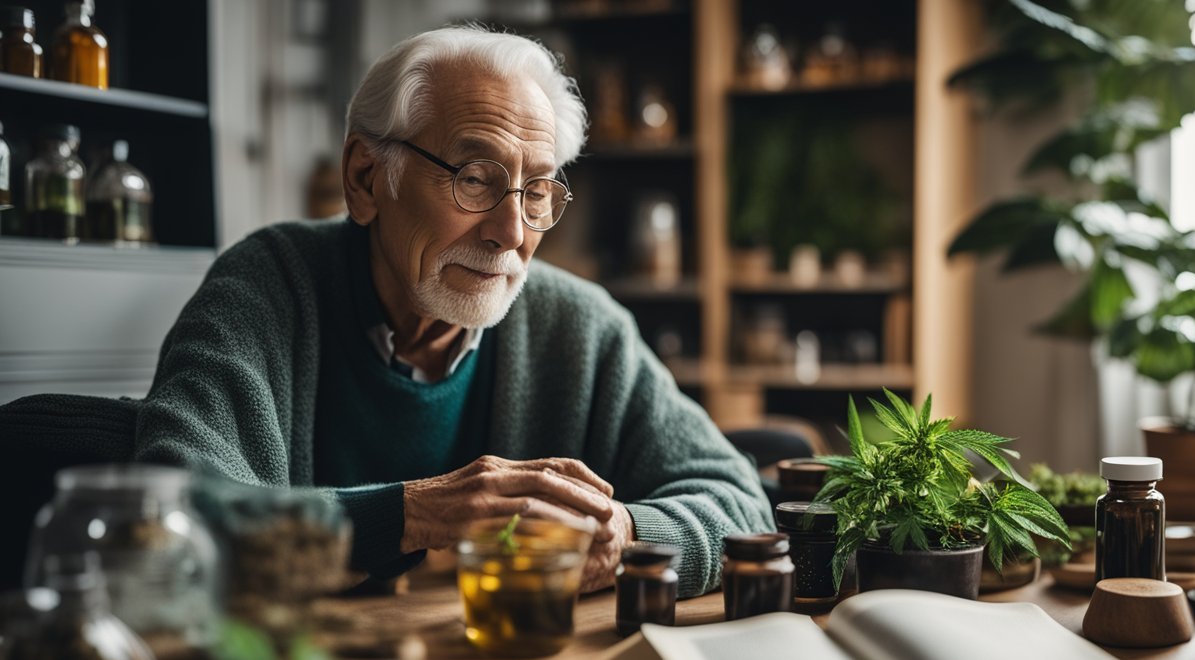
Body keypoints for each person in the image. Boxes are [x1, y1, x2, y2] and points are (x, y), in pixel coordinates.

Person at [134, 25, 772, 598]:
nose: (511, 232)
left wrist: (626, 532)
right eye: (474, 178)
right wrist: (414, 513)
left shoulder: (581, 326)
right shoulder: (268, 286)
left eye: (537, 191)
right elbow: (170, 511)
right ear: (365, 178)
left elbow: (742, 502)